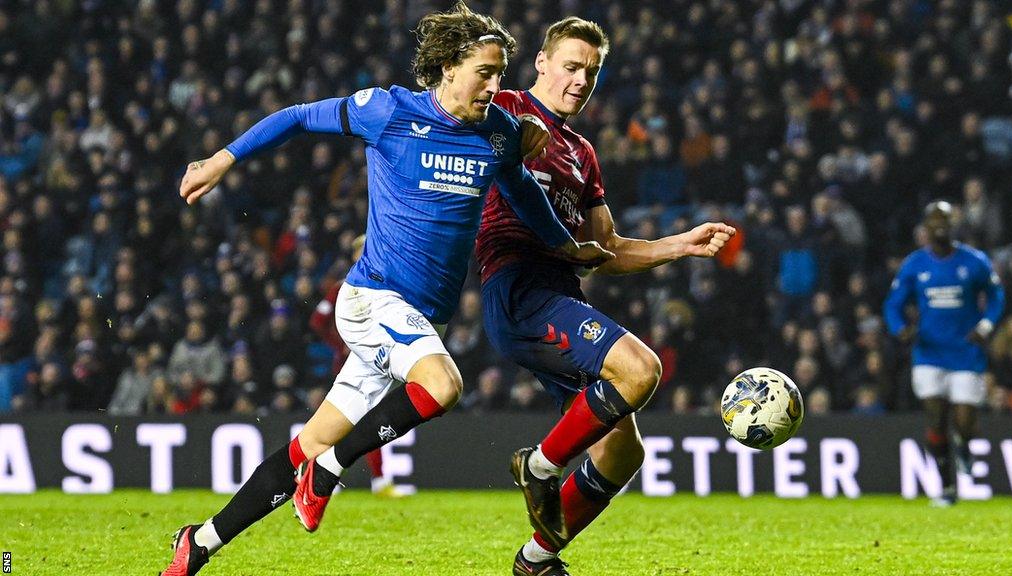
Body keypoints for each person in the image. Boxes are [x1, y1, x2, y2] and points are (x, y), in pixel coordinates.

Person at [161, 3, 612, 575]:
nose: (496, 87)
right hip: (372, 301)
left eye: (501, 75)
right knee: (443, 384)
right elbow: (300, 116)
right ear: (448, 67)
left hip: (418, 323)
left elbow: (525, 195)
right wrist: (222, 159)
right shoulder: (389, 111)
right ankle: (331, 469)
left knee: (305, 442)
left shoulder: (498, 133)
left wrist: (570, 247)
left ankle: (199, 543)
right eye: (485, 73)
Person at [473, 18, 735, 575]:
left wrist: (678, 245)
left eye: (590, 72)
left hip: (559, 294)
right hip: (518, 285)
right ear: (541, 63)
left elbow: (607, 247)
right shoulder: (505, 107)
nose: (579, 80)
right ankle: (541, 465)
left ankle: (536, 560)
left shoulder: (582, 153)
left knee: (622, 450)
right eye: (570, 66)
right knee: (641, 370)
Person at [883, 200, 1004, 507]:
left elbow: (996, 297)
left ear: (954, 225)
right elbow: (893, 304)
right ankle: (947, 486)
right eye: (935, 220)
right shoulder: (914, 265)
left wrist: (986, 326)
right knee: (936, 419)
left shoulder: (974, 261)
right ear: (925, 226)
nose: (940, 225)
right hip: (929, 353)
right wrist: (901, 329)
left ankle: (964, 445)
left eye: (945, 220)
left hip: (965, 352)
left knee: (964, 420)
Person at [308, 234, 402, 498]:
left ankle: (371, 480)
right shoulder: (341, 288)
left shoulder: (386, 285)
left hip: (377, 364)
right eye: (362, 250)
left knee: (371, 420)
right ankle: (333, 477)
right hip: (349, 364)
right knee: (346, 420)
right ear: (353, 255)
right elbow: (318, 320)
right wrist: (340, 343)